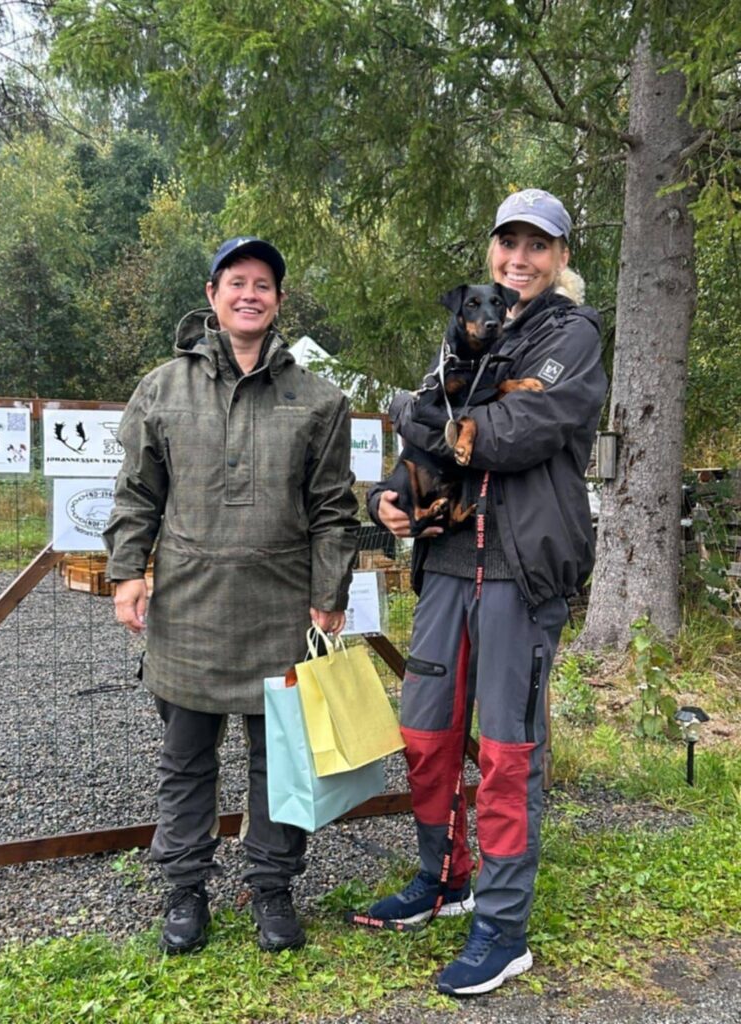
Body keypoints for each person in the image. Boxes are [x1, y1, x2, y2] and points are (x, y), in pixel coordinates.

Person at [365, 190, 607, 996]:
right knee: (426, 734)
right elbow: (431, 441)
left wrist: (416, 415)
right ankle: (444, 879)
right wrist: (389, 496)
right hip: (445, 564)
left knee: (506, 754)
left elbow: (511, 433)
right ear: (492, 251)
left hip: (521, 572)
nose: (520, 259)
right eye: (509, 243)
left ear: (561, 257)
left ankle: (502, 930)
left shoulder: (572, 337)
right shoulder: (468, 329)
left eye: (538, 245)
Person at [104, 236, 359, 955]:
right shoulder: (162, 389)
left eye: (264, 285)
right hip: (188, 606)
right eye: (236, 282)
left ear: (278, 301)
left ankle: (273, 887)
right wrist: (127, 572)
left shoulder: (318, 398)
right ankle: (185, 889)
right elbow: (136, 492)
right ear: (212, 296)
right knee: (186, 759)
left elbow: (335, 508)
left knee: (279, 759)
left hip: (282, 608)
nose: (250, 294)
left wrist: (330, 589)